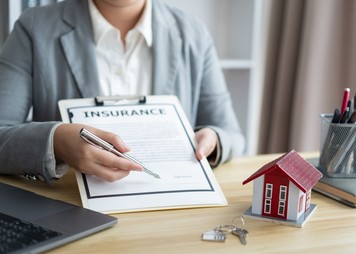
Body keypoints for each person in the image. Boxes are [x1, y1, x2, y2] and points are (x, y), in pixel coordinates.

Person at [0, 0, 245, 183]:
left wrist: (213, 138)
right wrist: (57, 141)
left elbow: (231, 134)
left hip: (168, 211)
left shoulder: (193, 33)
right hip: (69, 213)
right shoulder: (34, 28)